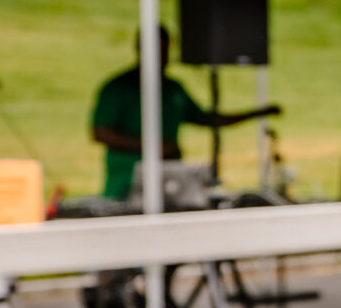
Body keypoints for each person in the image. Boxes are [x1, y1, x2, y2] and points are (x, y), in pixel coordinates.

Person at [89, 28, 278, 200]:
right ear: (139, 48)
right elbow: (100, 133)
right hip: (126, 182)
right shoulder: (118, 88)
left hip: (170, 180)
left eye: (164, 49)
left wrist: (257, 113)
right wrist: (154, 147)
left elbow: (206, 119)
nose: (160, 55)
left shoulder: (173, 88)